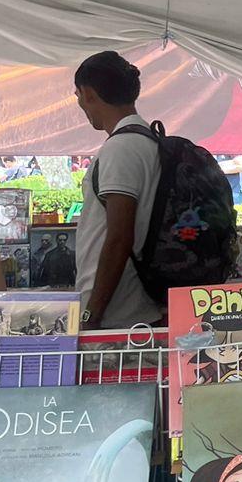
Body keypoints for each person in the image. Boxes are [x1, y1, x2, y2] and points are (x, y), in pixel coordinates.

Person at [73, 51, 162, 328]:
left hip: (120, 314)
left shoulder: (121, 148)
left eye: (77, 95)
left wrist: (91, 314)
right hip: (143, 307)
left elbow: (119, 239)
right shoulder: (151, 141)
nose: (80, 103)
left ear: (88, 93)